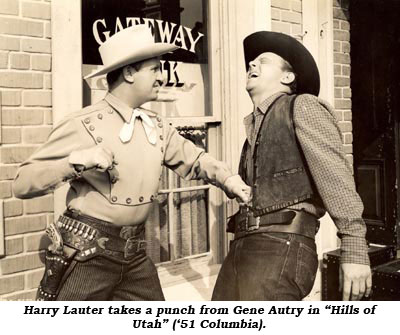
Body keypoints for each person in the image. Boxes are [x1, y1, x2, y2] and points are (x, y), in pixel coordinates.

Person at [13, 25, 251, 301]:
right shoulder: (83, 124)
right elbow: (23, 182)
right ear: (128, 73)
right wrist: (74, 162)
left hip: (134, 253)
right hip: (87, 254)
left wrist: (228, 179)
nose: (161, 77)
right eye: (154, 69)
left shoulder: (156, 126)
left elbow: (195, 158)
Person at [211, 31, 372, 301]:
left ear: (288, 77)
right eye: (251, 61)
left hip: (282, 246)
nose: (251, 64)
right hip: (244, 247)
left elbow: (336, 178)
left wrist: (354, 246)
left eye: (263, 60)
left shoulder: (303, 106)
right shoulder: (255, 125)